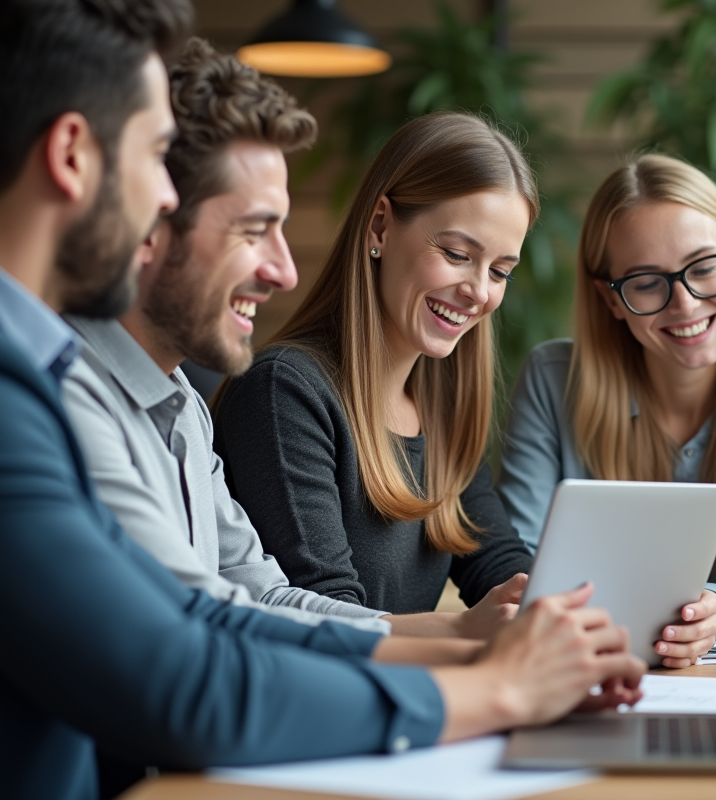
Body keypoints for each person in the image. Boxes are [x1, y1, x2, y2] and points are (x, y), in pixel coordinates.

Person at [0, 3, 643, 797]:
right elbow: (187, 669)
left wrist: (485, 652)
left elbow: (237, 610)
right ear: (73, 156)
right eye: (156, 159)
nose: (284, 268)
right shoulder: (45, 390)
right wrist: (490, 688)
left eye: (500, 269)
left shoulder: (164, 400)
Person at [59, 37, 404, 636]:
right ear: (152, 219)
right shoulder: (66, 397)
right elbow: (205, 634)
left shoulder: (183, 403)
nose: (285, 271)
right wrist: (483, 679)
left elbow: (263, 599)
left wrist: (469, 638)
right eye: (253, 231)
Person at [498, 154, 716, 666]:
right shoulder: (553, 381)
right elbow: (521, 559)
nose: (683, 304)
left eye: (704, 268)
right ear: (610, 299)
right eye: (645, 282)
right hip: (577, 666)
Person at [214, 112, 536, 635]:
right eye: (457, 254)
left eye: (500, 271)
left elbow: (495, 561)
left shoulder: (443, 404)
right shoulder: (284, 390)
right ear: (380, 226)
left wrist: (564, 604)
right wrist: (466, 633)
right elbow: (323, 618)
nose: (479, 291)